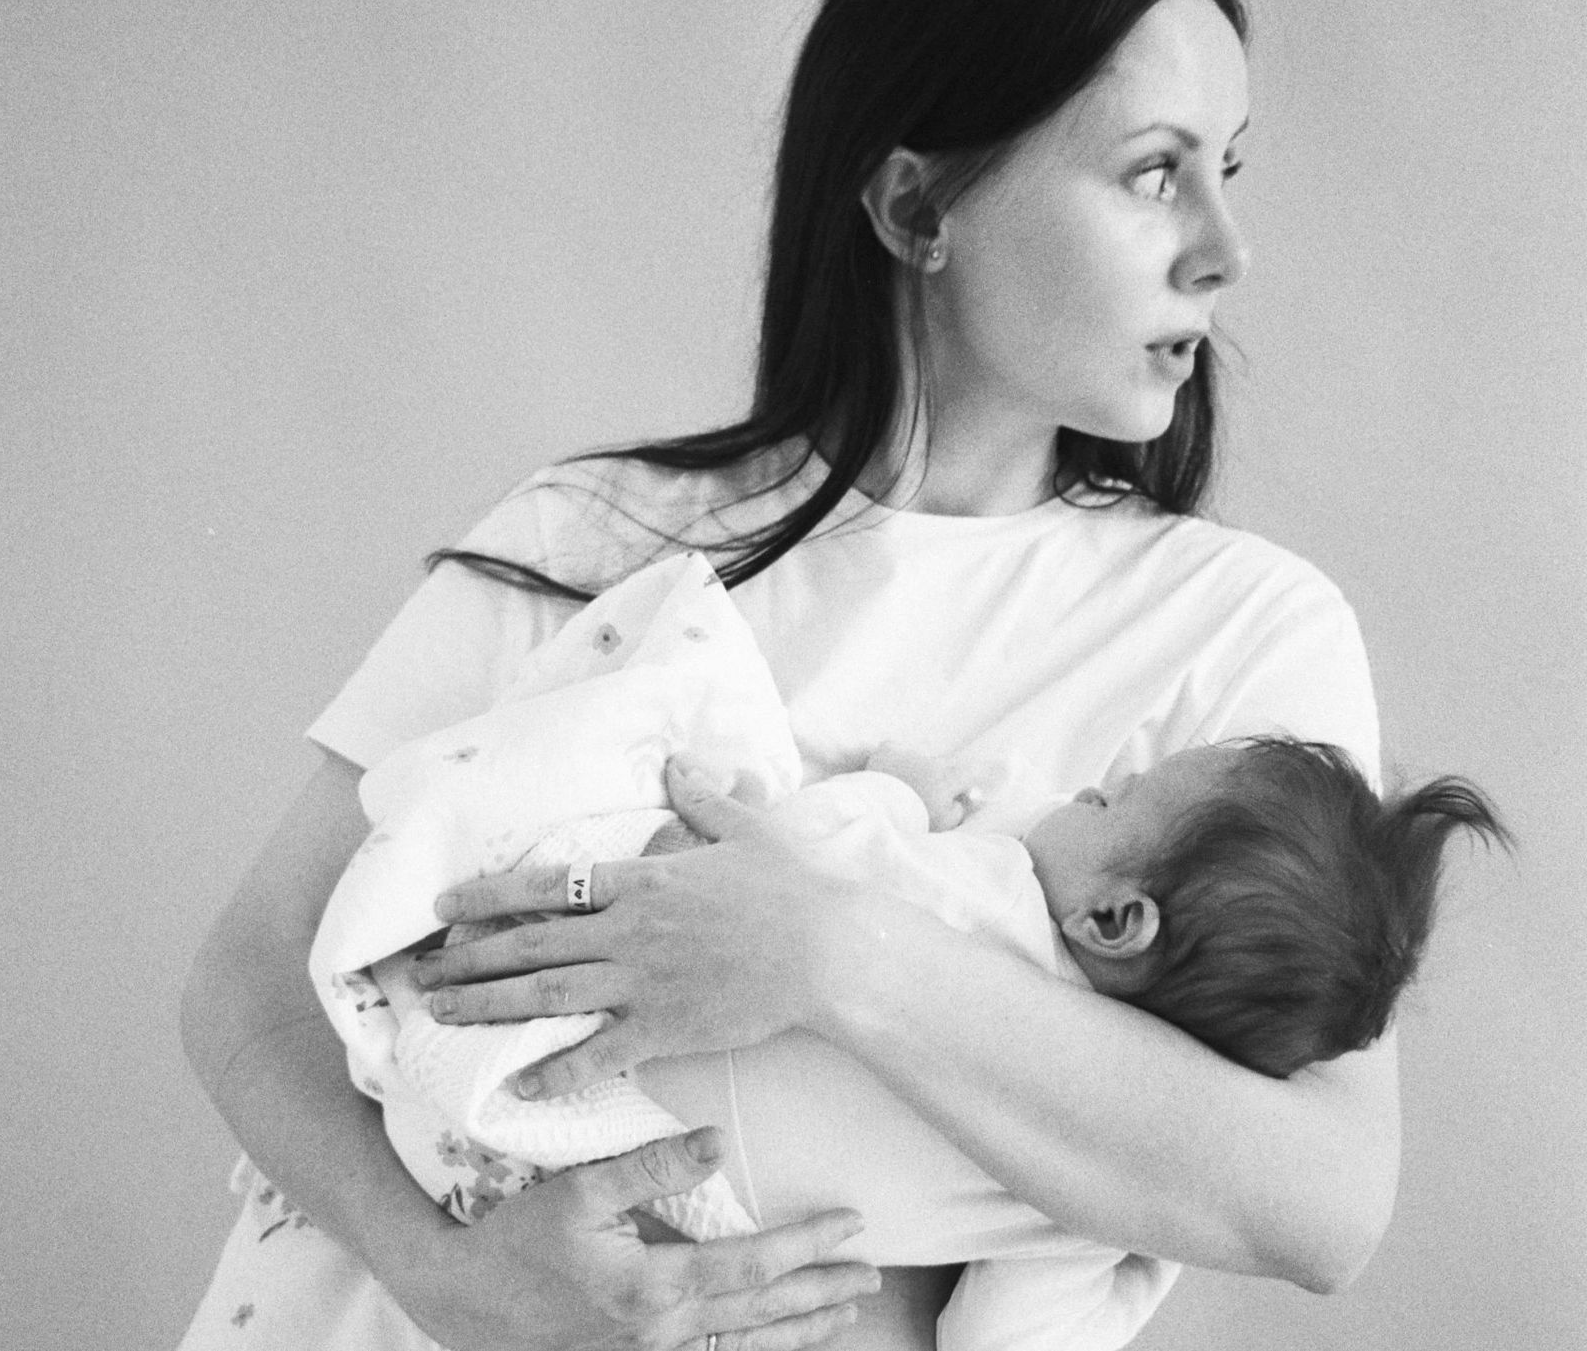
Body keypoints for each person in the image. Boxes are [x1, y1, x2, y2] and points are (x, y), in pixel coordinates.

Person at [179, 0, 1406, 1351]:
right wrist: (447, 1272)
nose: (1225, 249)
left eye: (1228, 168)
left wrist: (824, 952)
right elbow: (252, 979)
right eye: (1155, 172)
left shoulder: (1239, 630)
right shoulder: (594, 536)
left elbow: (1323, 1201)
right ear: (917, 210)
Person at [280, 549, 1504, 1351]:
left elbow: (815, 846)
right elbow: (1000, 1344)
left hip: (526, 1077)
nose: (1075, 793)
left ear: (1115, 920)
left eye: (1108, 798)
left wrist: (898, 803)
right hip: (567, 1186)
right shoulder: (1086, 1193)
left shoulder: (986, 887)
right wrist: (1139, 1259)